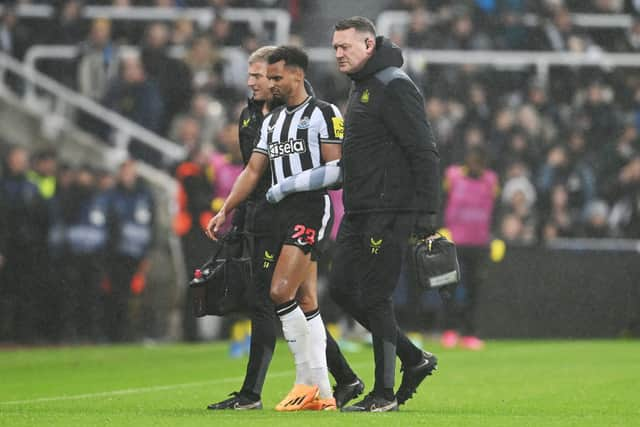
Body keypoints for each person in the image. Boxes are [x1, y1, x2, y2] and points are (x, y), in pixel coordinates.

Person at [205, 46, 362, 412]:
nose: (270, 84)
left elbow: (338, 170)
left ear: (297, 75)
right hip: (273, 216)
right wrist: (226, 209)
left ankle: (306, 382)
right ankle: (324, 392)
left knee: (279, 291)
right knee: (305, 301)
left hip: (309, 209)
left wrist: (290, 185)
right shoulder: (272, 122)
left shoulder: (325, 113)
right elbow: (253, 171)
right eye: (268, 78)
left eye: (276, 78)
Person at [328, 17, 440, 412]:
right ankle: (413, 358)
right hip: (359, 209)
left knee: (376, 295)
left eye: (346, 47)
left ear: (369, 44)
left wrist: (427, 213)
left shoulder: (394, 85)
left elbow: (424, 150)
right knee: (341, 288)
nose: (338, 54)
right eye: (335, 47)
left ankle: (384, 394)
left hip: (390, 210)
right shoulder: (361, 87)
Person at [441, 145, 499, 350]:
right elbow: (441, 201)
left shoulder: (491, 180)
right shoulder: (453, 176)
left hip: (479, 242)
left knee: (475, 290)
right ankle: (449, 330)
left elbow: (496, 209)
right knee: (450, 286)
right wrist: (441, 227)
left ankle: (469, 332)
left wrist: (495, 236)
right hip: (454, 241)